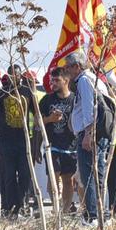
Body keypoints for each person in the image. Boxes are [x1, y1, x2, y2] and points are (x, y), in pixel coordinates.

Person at [0, 66, 42, 217]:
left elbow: (37, 118)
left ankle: (21, 203)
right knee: (9, 176)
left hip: (25, 141)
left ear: (21, 76)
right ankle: (10, 209)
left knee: (25, 175)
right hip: (6, 141)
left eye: (16, 75)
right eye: (10, 75)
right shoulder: (0, 94)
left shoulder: (28, 92)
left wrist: (36, 145)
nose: (13, 78)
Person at [66, 51, 111, 225]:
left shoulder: (85, 80)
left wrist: (88, 134)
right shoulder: (94, 78)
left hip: (91, 135)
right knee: (97, 174)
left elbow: (89, 110)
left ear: (77, 66)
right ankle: (102, 214)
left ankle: (93, 215)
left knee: (89, 175)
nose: (66, 71)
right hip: (97, 133)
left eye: (68, 67)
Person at [39, 67, 80, 214]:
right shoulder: (47, 99)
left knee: (68, 179)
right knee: (53, 178)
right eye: (52, 80)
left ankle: (65, 210)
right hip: (53, 145)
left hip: (71, 146)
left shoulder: (75, 98)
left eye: (57, 80)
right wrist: (50, 119)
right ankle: (56, 208)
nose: (53, 83)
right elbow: (37, 122)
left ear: (66, 81)